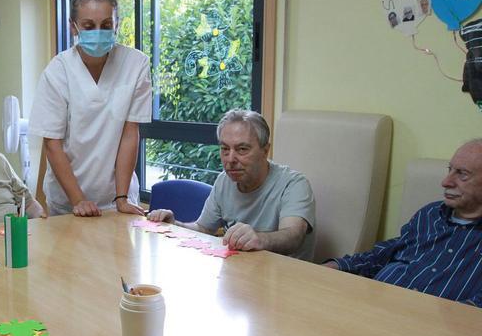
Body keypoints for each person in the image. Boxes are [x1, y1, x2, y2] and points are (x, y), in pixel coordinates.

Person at [29, 0, 152, 217]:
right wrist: (79, 200)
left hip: (118, 197)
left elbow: (130, 133)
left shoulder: (135, 64)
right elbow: (53, 144)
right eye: (88, 26)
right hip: (68, 200)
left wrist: (122, 197)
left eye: (106, 25)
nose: (98, 32)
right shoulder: (58, 71)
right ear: (72, 26)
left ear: (116, 24)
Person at [324, 139, 482, 305]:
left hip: (421, 324)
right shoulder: (431, 213)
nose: (446, 182)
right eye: (449, 170)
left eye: (462, 174)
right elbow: (387, 252)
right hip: (370, 302)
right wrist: (337, 265)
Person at [148, 109, 316, 260]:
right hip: (241, 275)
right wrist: (174, 225)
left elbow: (294, 236)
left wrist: (260, 239)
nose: (230, 159)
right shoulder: (224, 180)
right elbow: (204, 229)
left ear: (265, 151)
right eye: (225, 149)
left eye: (242, 149)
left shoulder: (293, 184)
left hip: (287, 280)